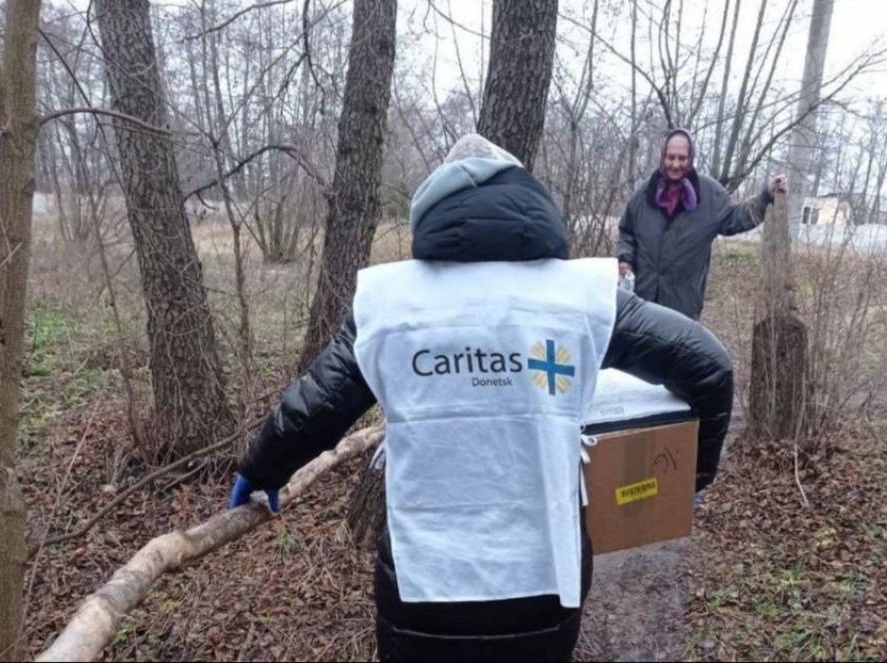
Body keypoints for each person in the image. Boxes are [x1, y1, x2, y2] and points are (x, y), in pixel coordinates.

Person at [230, 134, 735, 662]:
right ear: (526, 201)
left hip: (423, 584)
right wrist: (692, 476)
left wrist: (264, 466)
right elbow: (708, 366)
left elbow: (317, 407)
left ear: (433, 208)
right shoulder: (580, 298)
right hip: (544, 582)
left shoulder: (390, 303)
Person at [616, 128, 788, 320]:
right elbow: (626, 231)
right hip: (642, 302)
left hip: (682, 308)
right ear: (662, 157)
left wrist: (765, 196)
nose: (675, 164)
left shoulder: (708, 194)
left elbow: (735, 218)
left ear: (690, 159)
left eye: (682, 158)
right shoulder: (645, 194)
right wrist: (625, 259)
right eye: (670, 157)